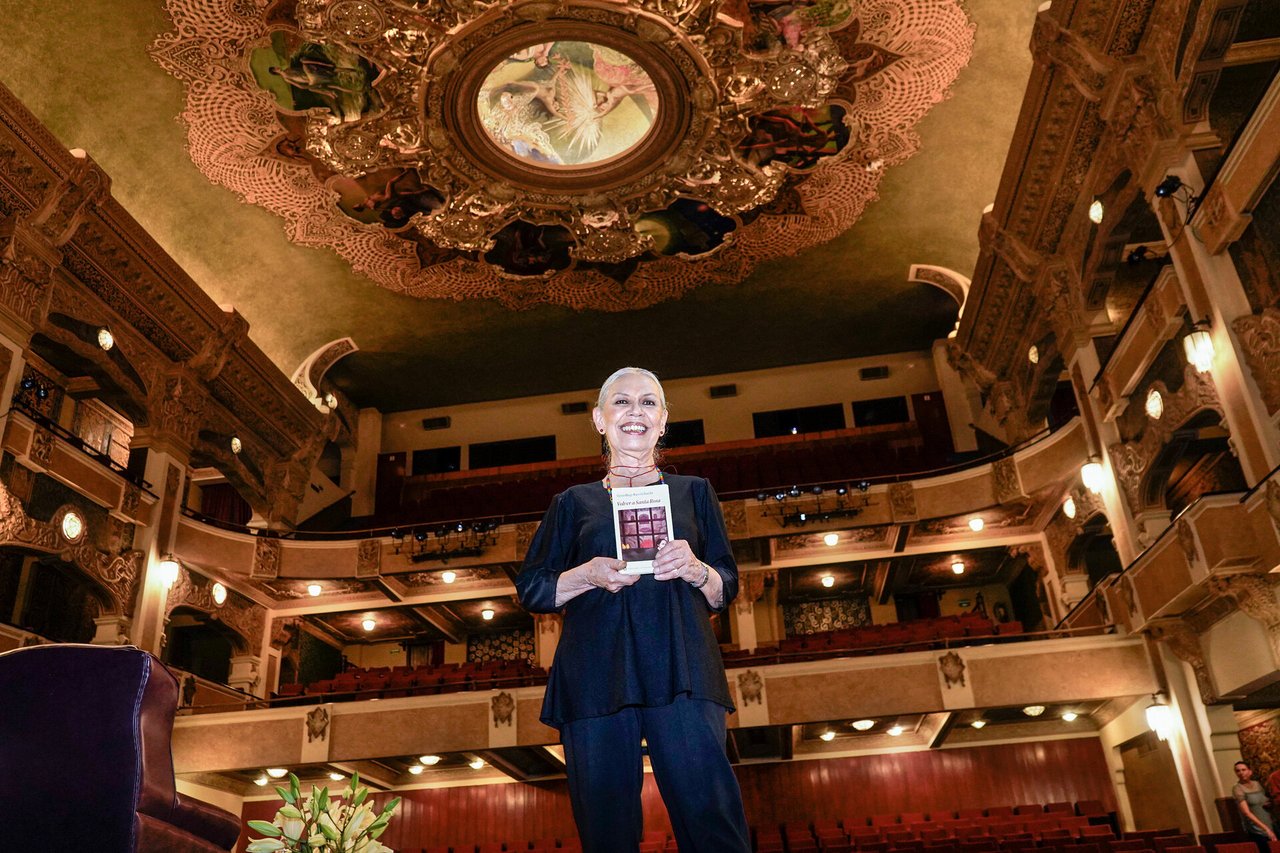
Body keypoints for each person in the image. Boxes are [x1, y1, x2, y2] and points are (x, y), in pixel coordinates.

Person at [516, 367, 751, 853]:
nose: (635, 412)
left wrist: (694, 569)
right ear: (599, 420)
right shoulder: (571, 503)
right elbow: (533, 589)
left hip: (683, 668)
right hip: (594, 674)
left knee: (712, 821)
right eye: (621, 402)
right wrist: (588, 574)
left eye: (648, 403)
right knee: (606, 832)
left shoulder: (695, 491)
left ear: (663, 421)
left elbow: (726, 585)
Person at [1232, 760, 1276, 848]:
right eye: (1238, 771)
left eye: (1243, 770)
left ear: (1250, 771)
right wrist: (1265, 829)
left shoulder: (1257, 784)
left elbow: (1263, 800)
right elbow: (1246, 813)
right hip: (1256, 828)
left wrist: (1269, 803)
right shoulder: (1238, 788)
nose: (1241, 773)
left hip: (1269, 822)